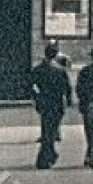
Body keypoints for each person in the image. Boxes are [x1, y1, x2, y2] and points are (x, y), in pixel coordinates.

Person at [30, 41, 72, 169]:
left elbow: (32, 86)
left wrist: (37, 98)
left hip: (44, 103)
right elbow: (67, 88)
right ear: (55, 55)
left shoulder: (37, 69)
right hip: (57, 103)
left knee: (46, 130)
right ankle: (45, 159)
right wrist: (68, 101)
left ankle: (48, 156)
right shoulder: (60, 70)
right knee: (51, 131)